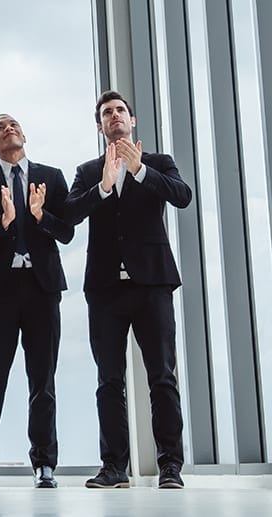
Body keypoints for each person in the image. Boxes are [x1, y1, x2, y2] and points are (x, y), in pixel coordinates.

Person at [66, 90, 192, 489]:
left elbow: (183, 196)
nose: (114, 115)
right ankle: (113, 468)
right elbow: (68, 215)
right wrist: (102, 188)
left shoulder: (159, 162)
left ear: (132, 120)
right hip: (105, 289)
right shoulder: (88, 171)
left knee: (162, 377)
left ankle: (170, 466)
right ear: (100, 126)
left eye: (120, 110)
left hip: (152, 283)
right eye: (107, 113)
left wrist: (140, 171)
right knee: (109, 381)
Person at [0, 114, 73, 489]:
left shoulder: (51, 176)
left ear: (24, 135)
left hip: (42, 288)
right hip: (0, 290)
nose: (8, 129)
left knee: (43, 380)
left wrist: (40, 215)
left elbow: (67, 232)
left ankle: (45, 465)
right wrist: (3, 223)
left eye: (13, 125)